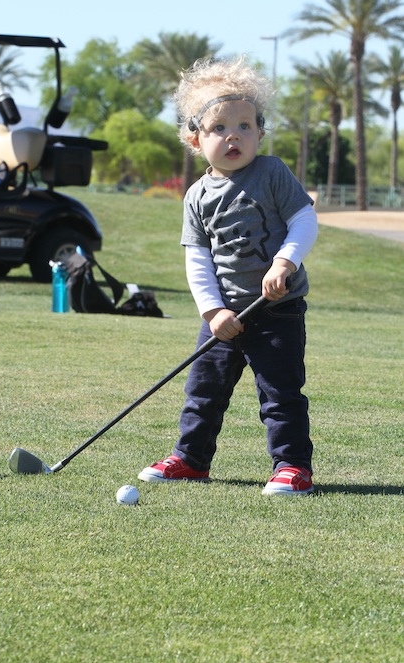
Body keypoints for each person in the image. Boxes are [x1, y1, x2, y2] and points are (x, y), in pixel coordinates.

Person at [138, 57, 318, 495]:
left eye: (244, 126)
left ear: (259, 132)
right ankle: (191, 460)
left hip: (277, 310)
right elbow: (197, 259)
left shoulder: (272, 173)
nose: (232, 136)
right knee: (203, 391)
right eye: (219, 128)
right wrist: (212, 311)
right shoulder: (196, 196)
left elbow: (304, 221)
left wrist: (284, 263)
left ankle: (293, 468)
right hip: (223, 316)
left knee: (280, 393)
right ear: (195, 138)